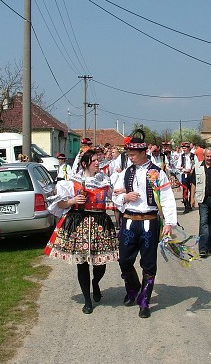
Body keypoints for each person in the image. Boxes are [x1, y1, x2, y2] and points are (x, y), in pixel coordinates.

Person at [44, 149, 119, 314]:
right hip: (80, 224)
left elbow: (116, 197)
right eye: (94, 160)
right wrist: (72, 200)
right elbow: (60, 204)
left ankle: (96, 282)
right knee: (82, 263)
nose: (98, 163)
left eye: (98, 160)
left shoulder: (104, 181)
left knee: (101, 263)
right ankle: (87, 300)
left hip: (100, 223)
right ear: (85, 163)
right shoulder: (72, 182)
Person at [113, 130, 177, 318]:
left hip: (149, 222)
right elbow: (114, 197)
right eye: (128, 155)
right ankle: (133, 288)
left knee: (148, 264)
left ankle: (144, 301)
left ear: (143, 153)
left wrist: (169, 223)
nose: (130, 158)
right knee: (124, 260)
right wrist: (125, 197)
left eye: (133, 155)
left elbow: (166, 198)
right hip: (129, 221)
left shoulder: (157, 173)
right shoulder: (126, 173)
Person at [177, 142, 195, 214]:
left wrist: (192, 169)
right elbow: (178, 166)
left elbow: (196, 164)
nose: (184, 149)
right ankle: (186, 206)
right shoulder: (181, 156)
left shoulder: (193, 156)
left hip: (191, 175)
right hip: (184, 175)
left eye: (185, 148)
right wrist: (184, 169)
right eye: (183, 148)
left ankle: (190, 204)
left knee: (192, 190)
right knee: (185, 191)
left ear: (188, 148)